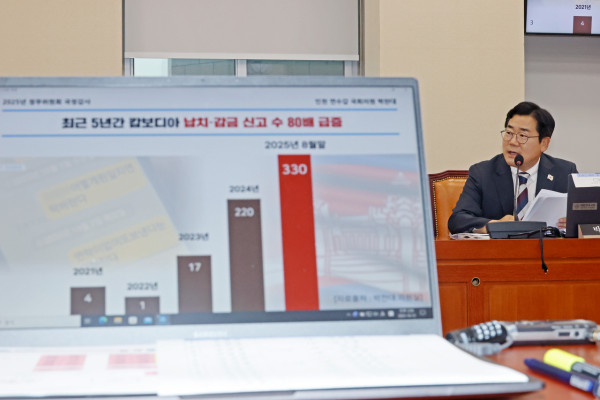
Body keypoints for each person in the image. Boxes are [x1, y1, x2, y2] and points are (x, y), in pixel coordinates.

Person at [448, 101, 578, 234]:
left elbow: (585, 217)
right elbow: (458, 220)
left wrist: (575, 223)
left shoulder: (565, 172)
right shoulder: (482, 173)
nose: (512, 142)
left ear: (544, 143)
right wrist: (494, 225)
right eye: (509, 133)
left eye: (523, 136)